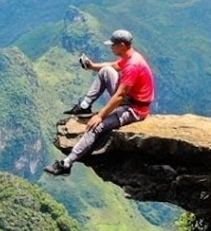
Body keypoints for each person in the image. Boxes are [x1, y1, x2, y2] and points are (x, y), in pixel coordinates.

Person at [44, 29, 155, 176]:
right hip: (129, 99)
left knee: (96, 127)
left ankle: (66, 164)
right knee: (105, 71)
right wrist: (91, 66)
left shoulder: (133, 65)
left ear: (122, 45)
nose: (111, 47)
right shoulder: (131, 57)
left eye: (113, 45)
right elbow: (114, 66)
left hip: (134, 109)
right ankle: (85, 106)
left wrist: (100, 116)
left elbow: (120, 96)